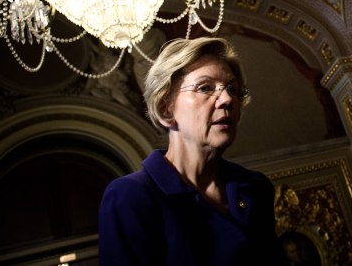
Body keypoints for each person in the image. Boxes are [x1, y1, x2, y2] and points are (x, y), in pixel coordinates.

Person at [98, 37, 284, 265]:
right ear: (166, 108)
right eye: (205, 87)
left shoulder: (254, 188)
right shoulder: (130, 197)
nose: (227, 99)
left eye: (232, 89)